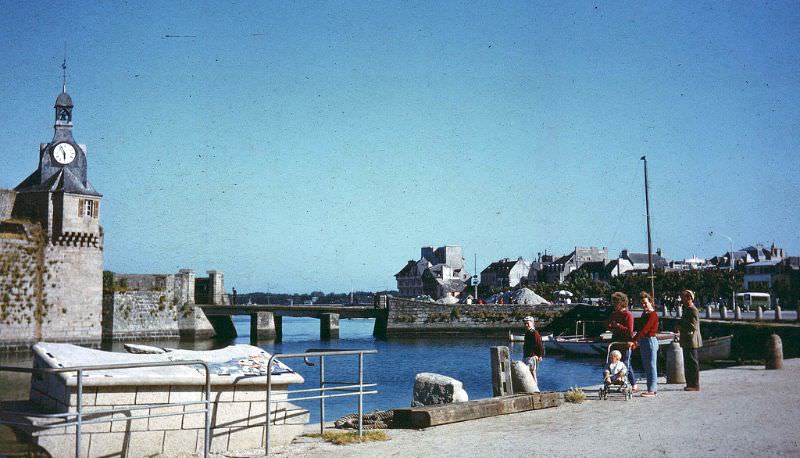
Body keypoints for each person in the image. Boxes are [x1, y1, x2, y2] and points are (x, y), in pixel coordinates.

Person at [607, 292, 637, 391]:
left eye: (616, 302)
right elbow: (609, 325)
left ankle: (633, 384)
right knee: (613, 362)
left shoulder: (628, 314)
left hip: (625, 341)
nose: (614, 305)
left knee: (626, 363)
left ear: (622, 303)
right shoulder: (614, 314)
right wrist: (610, 326)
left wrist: (618, 326)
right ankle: (616, 380)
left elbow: (629, 331)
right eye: (614, 302)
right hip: (615, 340)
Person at [632, 291, 659, 397]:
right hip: (644, 341)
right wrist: (635, 338)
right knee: (647, 366)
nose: (643, 305)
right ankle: (649, 389)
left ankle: (652, 390)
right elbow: (640, 329)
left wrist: (634, 340)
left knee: (652, 366)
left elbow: (645, 329)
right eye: (642, 303)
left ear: (651, 302)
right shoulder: (645, 314)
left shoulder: (653, 315)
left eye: (645, 303)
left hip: (650, 341)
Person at [678, 289, 703, 391]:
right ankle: (690, 383)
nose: (681, 299)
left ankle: (695, 384)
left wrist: (681, 327)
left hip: (691, 339)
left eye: (683, 297)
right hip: (686, 339)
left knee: (692, 363)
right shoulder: (686, 309)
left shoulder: (693, 309)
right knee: (688, 362)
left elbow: (693, 325)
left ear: (689, 298)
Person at [522, 316, 544, 387]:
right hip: (526, 356)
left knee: (532, 372)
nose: (526, 325)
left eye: (527, 323)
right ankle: (531, 388)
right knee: (527, 373)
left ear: (532, 323)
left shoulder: (534, 333)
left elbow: (539, 345)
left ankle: (535, 389)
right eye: (525, 323)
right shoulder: (527, 332)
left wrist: (540, 355)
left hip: (532, 356)